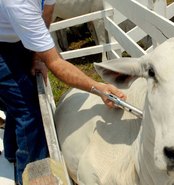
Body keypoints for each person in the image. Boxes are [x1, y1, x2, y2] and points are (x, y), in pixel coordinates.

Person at [0, 0, 126, 184]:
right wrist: (98, 87)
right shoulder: (18, 4)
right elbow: (56, 64)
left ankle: (11, 151)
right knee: (29, 113)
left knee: (20, 99)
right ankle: (33, 178)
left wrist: (36, 56)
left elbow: (47, 11)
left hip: (12, 36)